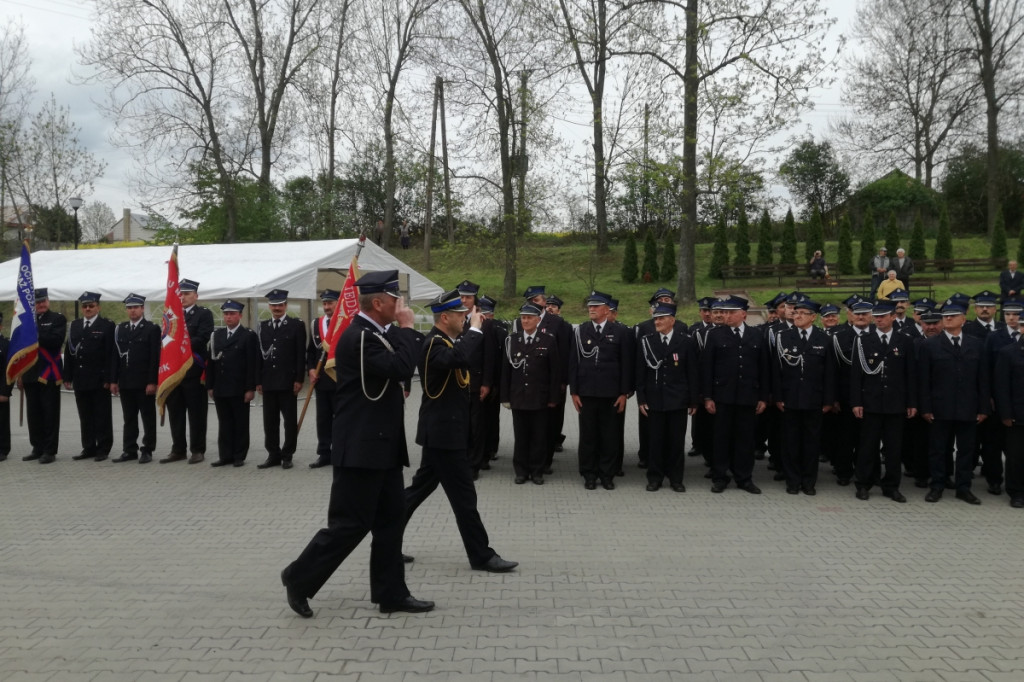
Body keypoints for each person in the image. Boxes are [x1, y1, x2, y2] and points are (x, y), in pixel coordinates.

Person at [282, 270, 435, 617]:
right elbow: (399, 366)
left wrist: (402, 332)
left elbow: (398, 353)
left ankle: (391, 593)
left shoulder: (376, 332)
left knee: (390, 524)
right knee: (350, 525)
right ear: (379, 303)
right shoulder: (360, 337)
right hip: (362, 449)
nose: (401, 305)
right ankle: (298, 577)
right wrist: (408, 328)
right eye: (395, 299)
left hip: (382, 448)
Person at [403, 289, 518, 573]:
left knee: (416, 493)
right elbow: (459, 358)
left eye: (467, 316)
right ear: (445, 317)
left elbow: (461, 357)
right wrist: (477, 330)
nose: (466, 319)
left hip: (444, 434)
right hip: (443, 436)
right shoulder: (434, 344)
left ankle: (385, 539)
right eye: (461, 315)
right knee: (465, 499)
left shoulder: (446, 341)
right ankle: (481, 555)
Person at [918, 295, 990, 504]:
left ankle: (963, 487)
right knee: (938, 449)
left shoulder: (976, 345)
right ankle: (937, 485)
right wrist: (926, 407)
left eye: (953, 316)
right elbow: (924, 380)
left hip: (969, 407)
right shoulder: (930, 345)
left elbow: (983, 379)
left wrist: (984, 407)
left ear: (964, 318)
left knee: (967, 450)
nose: (948, 319)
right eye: (945, 316)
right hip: (940, 407)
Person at [850, 302, 915, 503]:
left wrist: (912, 402)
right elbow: (856, 375)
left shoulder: (904, 340)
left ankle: (891, 486)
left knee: (894, 448)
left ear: (893, 317)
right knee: (867, 447)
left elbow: (910, 374)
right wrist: (856, 402)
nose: (879, 320)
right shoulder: (863, 340)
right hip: (870, 402)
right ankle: (863, 484)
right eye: (876, 316)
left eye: (883, 316)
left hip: (895, 403)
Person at [702, 296, 768, 494]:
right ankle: (720, 476)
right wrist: (707, 397)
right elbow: (707, 368)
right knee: (721, 438)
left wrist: (764, 396)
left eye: (731, 312)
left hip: (748, 397)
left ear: (743, 314)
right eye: (725, 312)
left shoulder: (757, 335)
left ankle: (744, 477)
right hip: (723, 396)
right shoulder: (715, 335)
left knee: (745, 439)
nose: (726, 315)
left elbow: (764, 368)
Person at [569, 290, 634, 490]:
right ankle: (589, 473)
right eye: (590, 306)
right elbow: (574, 362)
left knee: (610, 436)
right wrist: (574, 392)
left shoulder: (621, 332)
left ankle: (607, 474)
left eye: (596, 306)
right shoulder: (581, 331)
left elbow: (626, 365)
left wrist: (624, 393)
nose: (591, 309)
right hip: (587, 392)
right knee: (588, 436)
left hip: (611, 394)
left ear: (607, 310)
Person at [772, 299, 835, 495]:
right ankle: (792, 481)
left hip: (814, 400)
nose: (797, 316)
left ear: (813, 317)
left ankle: (809, 481)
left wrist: (828, 400)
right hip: (790, 399)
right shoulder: (783, 337)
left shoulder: (823, 338)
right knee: (790, 442)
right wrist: (778, 396)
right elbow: (777, 371)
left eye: (802, 313)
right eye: (796, 312)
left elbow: (830, 373)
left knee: (811, 443)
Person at [636, 303, 698, 492]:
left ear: (672, 320)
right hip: (654, 399)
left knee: (676, 442)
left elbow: (692, 373)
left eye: (661, 318)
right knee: (655, 441)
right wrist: (641, 399)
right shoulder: (647, 340)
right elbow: (640, 372)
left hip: (677, 400)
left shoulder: (685, 341)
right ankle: (655, 477)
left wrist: (694, 400)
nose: (657, 321)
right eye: (655, 318)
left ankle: (676, 478)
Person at [501, 302, 560, 484]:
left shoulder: (548, 340)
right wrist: (505, 397)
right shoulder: (512, 340)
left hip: (539, 398)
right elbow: (506, 371)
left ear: (537, 320)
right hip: (518, 396)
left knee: (538, 437)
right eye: (523, 317)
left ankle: (537, 471)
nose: (525, 321)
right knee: (521, 437)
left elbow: (554, 373)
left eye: (529, 318)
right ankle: (521, 471)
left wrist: (553, 398)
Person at [633, 288, 687, 470]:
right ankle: (647, 458)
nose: (658, 321)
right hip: (653, 391)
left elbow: (689, 367)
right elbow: (639, 362)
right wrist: (640, 393)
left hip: (674, 393)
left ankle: (674, 473)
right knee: (651, 432)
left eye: (668, 299)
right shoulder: (644, 328)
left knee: (674, 437)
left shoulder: (681, 328)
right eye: (660, 300)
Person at [162, 278, 214, 464]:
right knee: (175, 412)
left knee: (196, 413)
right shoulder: (171, 315)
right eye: (180, 294)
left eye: (186, 294)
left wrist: (180, 345)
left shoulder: (203, 314)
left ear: (195, 296)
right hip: (174, 371)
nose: (182, 297)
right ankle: (178, 449)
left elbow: (202, 338)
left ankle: (197, 450)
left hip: (193, 371)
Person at [256, 289, 307, 470]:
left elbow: (301, 354)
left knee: (289, 421)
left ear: (285, 305)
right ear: (269, 306)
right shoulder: (263, 326)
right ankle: (273, 454)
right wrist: (258, 381)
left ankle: (287, 455)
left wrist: (299, 379)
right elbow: (259, 356)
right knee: (270, 422)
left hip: (288, 382)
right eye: (273, 305)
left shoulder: (296, 325)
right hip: (269, 381)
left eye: (280, 305)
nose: (277, 308)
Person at [207, 300, 259, 467]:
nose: (228, 317)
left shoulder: (248, 335)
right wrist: (210, 385)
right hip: (221, 387)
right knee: (224, 423)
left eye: (232, 314)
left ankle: (239, 455)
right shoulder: (217, 335)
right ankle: (225, 455)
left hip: (239, 387)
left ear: (240, 316)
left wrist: (250, 388)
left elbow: (252, 364)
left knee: (240, 423)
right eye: (226, 314)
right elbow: (211, 362)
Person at [64, 292, 115, 463]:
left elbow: (110, 355)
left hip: (99, 379)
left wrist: (109, 378)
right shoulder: (75, 325)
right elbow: (69, 352)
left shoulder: (107, 325)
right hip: (80, 378)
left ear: (98, 307)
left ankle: (103, 447)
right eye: (85, 306)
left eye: (91, 306)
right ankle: (88, 447)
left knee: (102, 415)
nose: (87, 309)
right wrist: (67, 376)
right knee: (85, 416)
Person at [111, 293, 161, 464]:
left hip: (143, 382)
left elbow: (155, 357)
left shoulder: (151, 329)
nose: (132, 311)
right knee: (129, 418)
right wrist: (114, 380)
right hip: (125, 381)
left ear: (142, 309)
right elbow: (115, 357)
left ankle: (147, 449)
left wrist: (152, 381)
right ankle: (129, 449)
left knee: (148, 417)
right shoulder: (121, 329)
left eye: (135, 308)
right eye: (129, 308)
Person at [982, 297, 1023, 496]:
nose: (1012, 318)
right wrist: (988, 395)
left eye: (1016, 314)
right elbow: (987, 368)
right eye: (1008, 314)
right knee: (994, 442)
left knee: (1014, 447)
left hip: (1018, 400)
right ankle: (994, 479)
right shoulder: (995, 337)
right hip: (998, 398)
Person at [20, 288, 66, 464]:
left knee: (50, 414)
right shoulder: (27, 321)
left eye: (43, 300)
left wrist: (36, 333)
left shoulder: (58, 319)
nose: (41, 304)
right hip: (31, 373)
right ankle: (37, 447)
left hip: (49, 374)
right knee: (34, 414)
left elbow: (55, 341)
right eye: (37, 302)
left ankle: (49, 450)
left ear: (48, 301)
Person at [306, 289, 341, 469]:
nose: (327, 307)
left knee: (340, 419)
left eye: (330, 303)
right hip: (321, 380)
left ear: (338, 303)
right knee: (323, 419)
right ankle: (324, 453)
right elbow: (311, 351)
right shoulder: (316, 324)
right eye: (325, 304)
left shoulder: (344, 324)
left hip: (340, 379)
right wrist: (311, 369)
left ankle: (340, 453)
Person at [993, 323, 1024, 508]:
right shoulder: (1009, 352)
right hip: (1018, 414)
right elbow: (1001, 386)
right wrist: (1005, 413)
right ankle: (1017, 492)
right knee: (1016, 456)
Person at [0, 313, 10, 461]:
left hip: (0, 389)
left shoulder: (6, 344)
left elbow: (9, 370)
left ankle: (2, 449)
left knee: (1, 421)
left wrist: (5, 391)